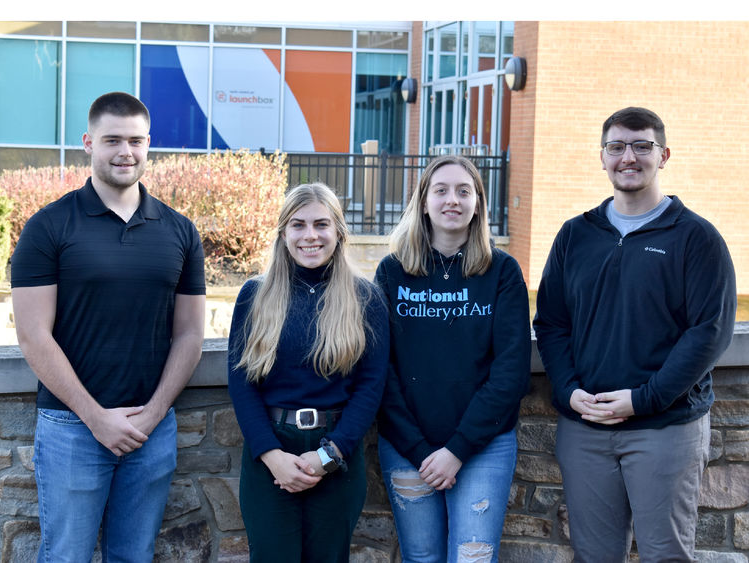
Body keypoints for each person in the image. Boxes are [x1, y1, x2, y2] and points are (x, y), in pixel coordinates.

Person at [533, 107, 736, 562]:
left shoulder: (695, 238)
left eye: (642, 146)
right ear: (601, 157)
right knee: (594, 555)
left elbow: (710, 333)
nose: (629, 157)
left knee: (665, 554)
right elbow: (551, 322)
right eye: (617, 146)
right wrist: (567, 392)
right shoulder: (575, 236)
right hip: (585, 427)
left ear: (663, 156)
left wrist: (643, 399)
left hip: (665, 427)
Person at [10, 92, 206, 561]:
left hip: (150, 429)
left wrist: (154, 412)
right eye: (112, 139)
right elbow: (33, 335)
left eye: (136, 141)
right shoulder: (49, 227)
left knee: (134, 556)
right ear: (88, 143)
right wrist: (96, 418)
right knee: (66, 555)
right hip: (72, 427)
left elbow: (190, 334)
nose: (126, 152)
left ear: (148, 145)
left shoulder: (179, 231)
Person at [374, 155, 531, 563]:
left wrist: (457, 449)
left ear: (478, 202)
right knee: (421, 557)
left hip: (483, 447)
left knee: (472, 558)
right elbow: (379, 370)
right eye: (440, 190)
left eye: (464, 191)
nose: (452, 200)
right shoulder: (392, 272)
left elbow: (511, 372)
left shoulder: (503, 272)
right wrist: (419, 448)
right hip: (408, 446)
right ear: (423, 201)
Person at [227, 182, 389, 563]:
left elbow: (371, 386)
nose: (310, 236)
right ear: (283, 234)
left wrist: (329, 455)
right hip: (270, 453)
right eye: (298, 225)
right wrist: (271, 455)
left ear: (338, 232)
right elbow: (242, 383)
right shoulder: (255, 294)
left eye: (321, 224)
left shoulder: (365, 298)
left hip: (337, 452)